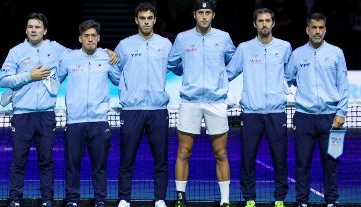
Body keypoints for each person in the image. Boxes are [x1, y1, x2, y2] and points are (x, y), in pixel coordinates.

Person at [167, 0, 236, 206]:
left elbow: (233, 61)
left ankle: (225, 201)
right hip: (190, 102)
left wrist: (222, 80)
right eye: (200, 12)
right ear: (194, 14)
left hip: (216, 102)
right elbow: (173, 64)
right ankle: (180, 198)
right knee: (183, 151)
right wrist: (188, 73)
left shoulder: (223, 38)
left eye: (208, 12)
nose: (204, 16)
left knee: (221, 153)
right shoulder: (182, 38)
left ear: (213, 15)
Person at [0, 12, 69, 207]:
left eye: (37, 27)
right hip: (22, 115)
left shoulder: (55, 48)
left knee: (46, 161)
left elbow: (76, 58)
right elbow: (3, 80)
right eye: (30, 27)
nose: (33, 30)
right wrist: (30, 75)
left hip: (46, 114)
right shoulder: (16, 51)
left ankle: (47, 199)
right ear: (26, 30)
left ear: (45, 30)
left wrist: (107, 52)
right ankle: (15, 199)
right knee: (18, 161)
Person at [226, 8, 292, 207]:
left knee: (280, 158)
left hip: (276, 112)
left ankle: (280, 199)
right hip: (251, 112)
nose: (264, 24)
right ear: (255, 24)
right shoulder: (245, 48)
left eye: (268, 20)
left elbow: (291, 74)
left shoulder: (285, 47)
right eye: (260, 21)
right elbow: (229, 72)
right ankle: (249, 198)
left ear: (273, 23)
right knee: (248, 158)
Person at [285, 13, 349, 207]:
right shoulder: (297, 54)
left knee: (332, 162)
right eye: (314, 27)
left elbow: (343, 85)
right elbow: (289, 77)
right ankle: (302, 201)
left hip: (332, 118)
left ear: (325, 30)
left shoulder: (337, 53)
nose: (317, 31)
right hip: (304, 117)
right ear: (307, 30)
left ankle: (332, 200)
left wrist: (341, 113)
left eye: (321, 28)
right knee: (302, 163)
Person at [57, 19, 120, 207]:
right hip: (74, 121)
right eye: (86, 36)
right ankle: (72, 199)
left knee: (99, 165)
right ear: (80, 38)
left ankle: (100, 199)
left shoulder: (107, 58)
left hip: (99, 120)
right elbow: (54, 81)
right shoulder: (69, 58)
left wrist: (115, 57)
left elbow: (119, 81)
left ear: (98, 38)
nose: (90, 39)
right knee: (72, 165)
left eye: (93, 36)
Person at [114, 2, 171, 207]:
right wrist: (125, 89)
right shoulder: (124, 45)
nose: (146, 22)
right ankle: (123, 198)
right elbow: (114, 70)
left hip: (157, 109)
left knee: (161, 159)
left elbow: (175, 65)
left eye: (149, 18)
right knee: (127, 157)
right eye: (142, 18)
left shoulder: (165, 44)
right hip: (132, 110)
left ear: (154, 20)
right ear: (136, 20)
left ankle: (160, 199)